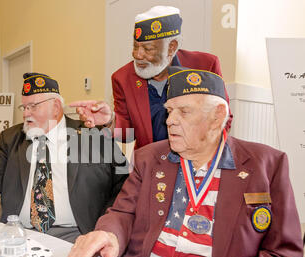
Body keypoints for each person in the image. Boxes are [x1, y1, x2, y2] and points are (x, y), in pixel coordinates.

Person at [62, 67, 304, 257]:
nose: (170, 121)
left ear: (217, 116)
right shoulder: (150, 157)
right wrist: (108, 234)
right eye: (169, 111)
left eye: (184, 112)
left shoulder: (266, 165)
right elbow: (123, 212)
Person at [0, 73, 129, 243]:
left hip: (77, 235)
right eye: (23, 108)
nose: (26, 114)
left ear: (56, 107)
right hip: (19, 234)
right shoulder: (11, 137)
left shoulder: (91, 134)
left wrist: (108, 223)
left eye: (33, 106)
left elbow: (124, 182)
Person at [72, 5, 233, 150]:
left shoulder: (205, 66)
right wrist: (110, 121)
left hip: (196, 161)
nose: (137, 55)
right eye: (135, 46)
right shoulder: (122, 78)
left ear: (172, 48)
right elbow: (128, 133)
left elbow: (223, 119)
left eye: (147, 49)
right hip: (150, 166)